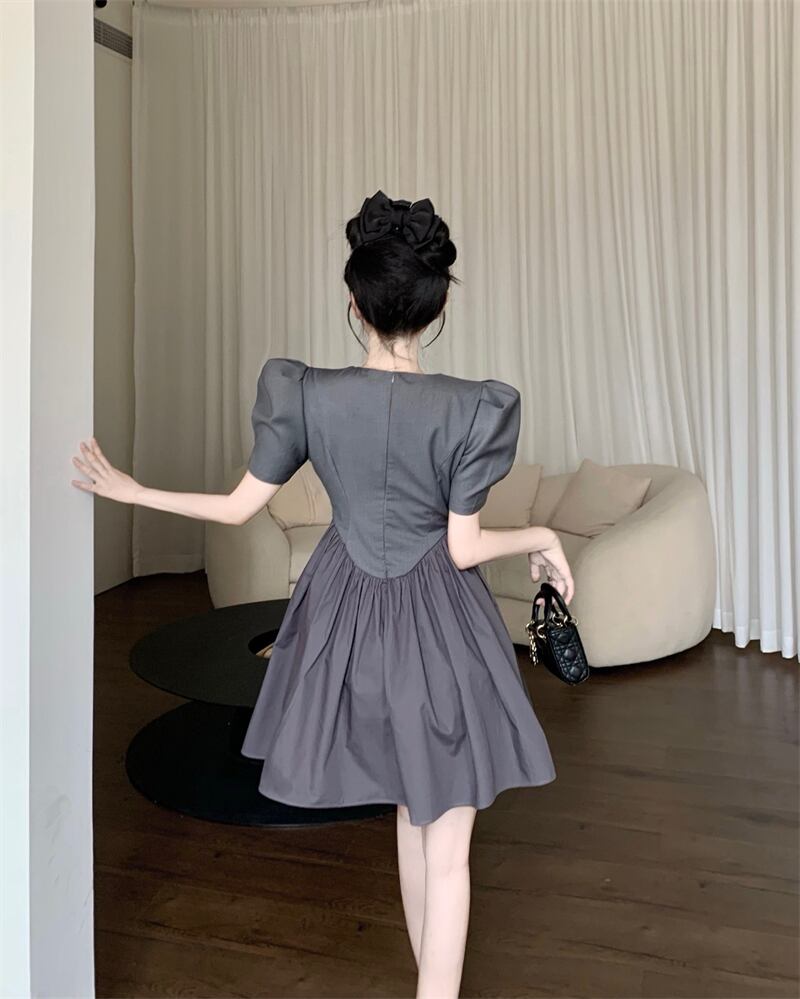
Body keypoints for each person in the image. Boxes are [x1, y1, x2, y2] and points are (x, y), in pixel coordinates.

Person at [71, 189, 574, 999]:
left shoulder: (305, 391)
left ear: (354, 303)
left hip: (344, 615)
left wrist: (133, 490)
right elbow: (463, 547)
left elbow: (237, 507)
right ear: (438, 308)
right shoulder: (475, 406)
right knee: (443, 841)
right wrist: (542, 536)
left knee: (408, 814)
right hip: (442, 625)